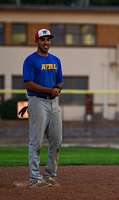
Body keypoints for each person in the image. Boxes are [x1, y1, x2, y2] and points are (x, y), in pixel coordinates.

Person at [23, 28, 63, 187]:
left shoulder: (56, 60)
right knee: (36, 141)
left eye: (48, 39)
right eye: (43, 39)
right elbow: (28, 83)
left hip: (54, 103)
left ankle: (50, 176)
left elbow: (60, 81)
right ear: (37, 41)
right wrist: (49, 90)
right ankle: (34, 178)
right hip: (37, 101)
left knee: (57, 141)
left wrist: (58, 89)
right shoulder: (30, 60)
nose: (46, 42)